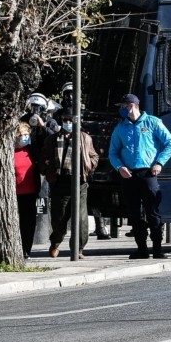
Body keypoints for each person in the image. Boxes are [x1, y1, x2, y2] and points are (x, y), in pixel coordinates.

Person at [106, 94, 171, 259]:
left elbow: (170, 143)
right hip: (129, 175)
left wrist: (159, 163)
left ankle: (157, 249)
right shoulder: (120, 128)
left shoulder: (152, 122)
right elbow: (113, 152)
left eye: (123, 106)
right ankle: (142, 249)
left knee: (153, 212)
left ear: (132, 105)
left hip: (148, 173)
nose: (121, 110)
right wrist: (119, 167)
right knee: (135, 213)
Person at [42, 98, 97, 259]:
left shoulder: (85, 138)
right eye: (65, 119)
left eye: (70, 120)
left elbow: (94, 156)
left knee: (81, 219)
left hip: (79, 182)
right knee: (59, 218)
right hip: (60, 182)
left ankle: (78, 248)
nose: (67, 123)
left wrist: (88, 165)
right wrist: (47, 166)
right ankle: (55, 243)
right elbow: (43, 158)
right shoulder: (52, 139)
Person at [11, 117, 38, 256]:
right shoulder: (9, 152)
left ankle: (26, 249)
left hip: (30, 192)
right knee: (16, 222)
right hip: (14, 194)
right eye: (22, 134)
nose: (25, 137)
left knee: (29, 223)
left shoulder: (30, 150)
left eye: (27, 134)